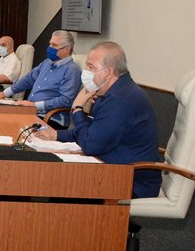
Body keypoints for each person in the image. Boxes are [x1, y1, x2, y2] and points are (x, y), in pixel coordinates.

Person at [34, 41, 161, 198]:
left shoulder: (121, 99)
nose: (85, 71)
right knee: (57, 180)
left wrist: (77, 109)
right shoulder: (112, 92)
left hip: (130, 181)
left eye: (91, 67)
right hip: (112, 169)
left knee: (62, 184)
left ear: (108, 72)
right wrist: (57, 135)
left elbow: (90, 145)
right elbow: (93, 131)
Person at [0, 30, 81, 128]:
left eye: (54, 45)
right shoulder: (47, 62)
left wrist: (35, 105)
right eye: (50, 44)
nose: (50, 48)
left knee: (6, 127)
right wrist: (3, 93)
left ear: (67, 49)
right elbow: (28, 79)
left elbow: (65, 100)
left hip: (50, 119)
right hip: (30, 111)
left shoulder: (72, 70)